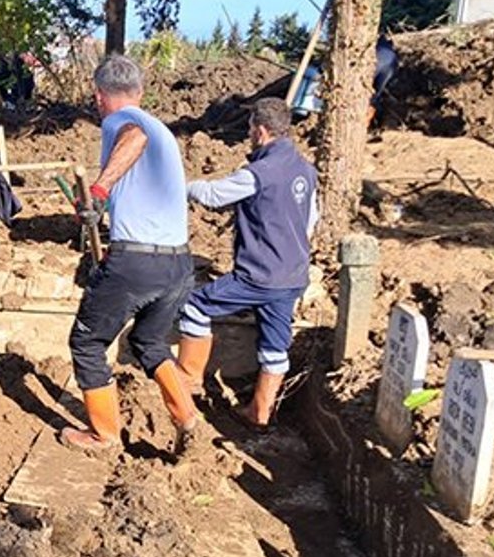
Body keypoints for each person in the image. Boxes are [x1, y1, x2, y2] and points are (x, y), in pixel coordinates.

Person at [61, 54, 198, 455]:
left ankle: (104, 436)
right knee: (150, 343)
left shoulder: (121, 121)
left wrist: (99, 192)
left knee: (87, 342)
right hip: (178, 264)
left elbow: (132, 136)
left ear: (99, 96)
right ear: (139, 91)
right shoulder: (164, 131)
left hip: (138, 262)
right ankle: (187, 417)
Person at [176, 97, 318, 428]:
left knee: (196, 306)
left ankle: (187, 382)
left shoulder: (260, 173)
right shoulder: (305, 171)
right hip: (292, 274)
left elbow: (213, 196)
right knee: (274, 346)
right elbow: (310, 221)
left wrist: (182, 189)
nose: (249, 134)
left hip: (259, 275)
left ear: (262, 131)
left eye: (251, 128)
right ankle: (260, 412)